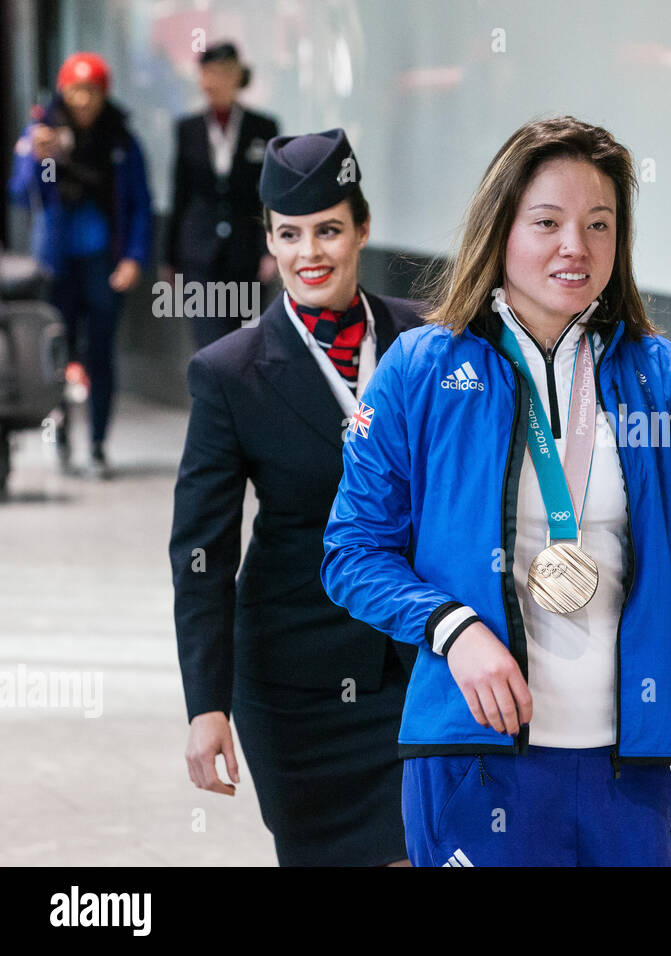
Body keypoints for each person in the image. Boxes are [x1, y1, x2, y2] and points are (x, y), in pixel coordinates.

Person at [321, 116, 671, 868]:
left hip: (627, 770)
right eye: (547, 222)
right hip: (475, 761)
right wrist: (453, 627)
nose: (575, 247)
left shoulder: (657, 375)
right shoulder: (421, 370)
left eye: (599, 224)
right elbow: (351, 553)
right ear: (501, 229)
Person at [169, 129, 418, 866]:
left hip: (419, 666)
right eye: (290, 234)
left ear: (362, 229)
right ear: (270, 241)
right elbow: (203, 550)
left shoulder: (425, 340)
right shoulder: (230, 373)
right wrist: (206, 704)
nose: (310, 253)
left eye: (329, 230)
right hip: (294, 683)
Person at [6, 52, 152, 479]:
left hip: (104, 262)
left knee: (100, 352)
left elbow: (140, 204)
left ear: (104, 94)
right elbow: (24, 194)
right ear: (64, 91)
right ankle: (63, 438)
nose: (84, 100)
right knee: (58, 351)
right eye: (75, 91)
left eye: (92, 91)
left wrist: (134, 258)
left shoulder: (121, 141)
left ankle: (99, 445)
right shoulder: (43, 132)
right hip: (57, 264)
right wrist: (40, 158)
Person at [163, 41, 279, 351]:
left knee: (245, 344)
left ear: (237, 77)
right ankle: (210, 402)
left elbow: (269, 194)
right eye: (206, 74)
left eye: (220, 73)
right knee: (209, 343)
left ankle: (239, 402)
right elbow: (180, 194)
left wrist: (270, 249)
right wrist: (170, 257)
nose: (212, 82)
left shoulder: (263, 127)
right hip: (199, 252)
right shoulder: (188, 128)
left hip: (246, 250)